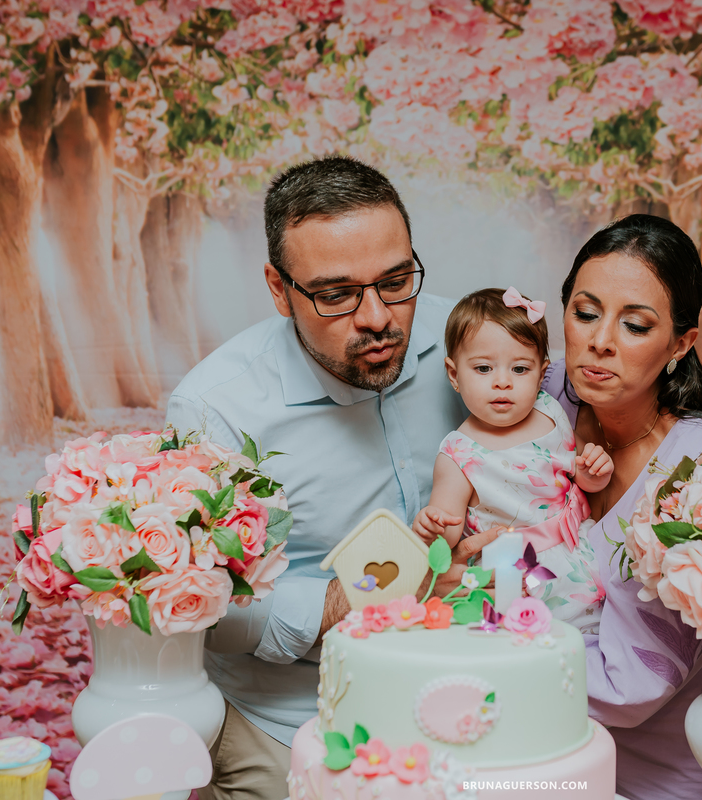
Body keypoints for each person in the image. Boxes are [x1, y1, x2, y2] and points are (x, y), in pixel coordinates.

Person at [165, 156, 496, 800]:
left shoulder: (466, 342)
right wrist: (364, 597)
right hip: (288, 724)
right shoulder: (216, 409)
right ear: (278, 287)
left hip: (465, 693)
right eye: (336, 294)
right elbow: (204, 609)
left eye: (397, 281)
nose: (377, 318)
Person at [541, 214, 702, 800]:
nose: (600, 340)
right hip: (540, 747)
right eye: (584, 313)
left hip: (654, 777)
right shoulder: (542, 397)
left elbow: (629, 690)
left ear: (680, 345)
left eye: (634, 325)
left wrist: (489, 628)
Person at [412, 287, 613, 630]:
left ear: (541, 373)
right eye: (484, 368)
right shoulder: (458, 454)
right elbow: (448, 534)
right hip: (513, 577)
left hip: (579, 552)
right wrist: (433, 528)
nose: (503, 382)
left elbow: (578, 476)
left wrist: (594, 473)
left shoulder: (551, 411)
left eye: (520, 369)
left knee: (592, 642)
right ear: (454, 374)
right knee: (529, 648)